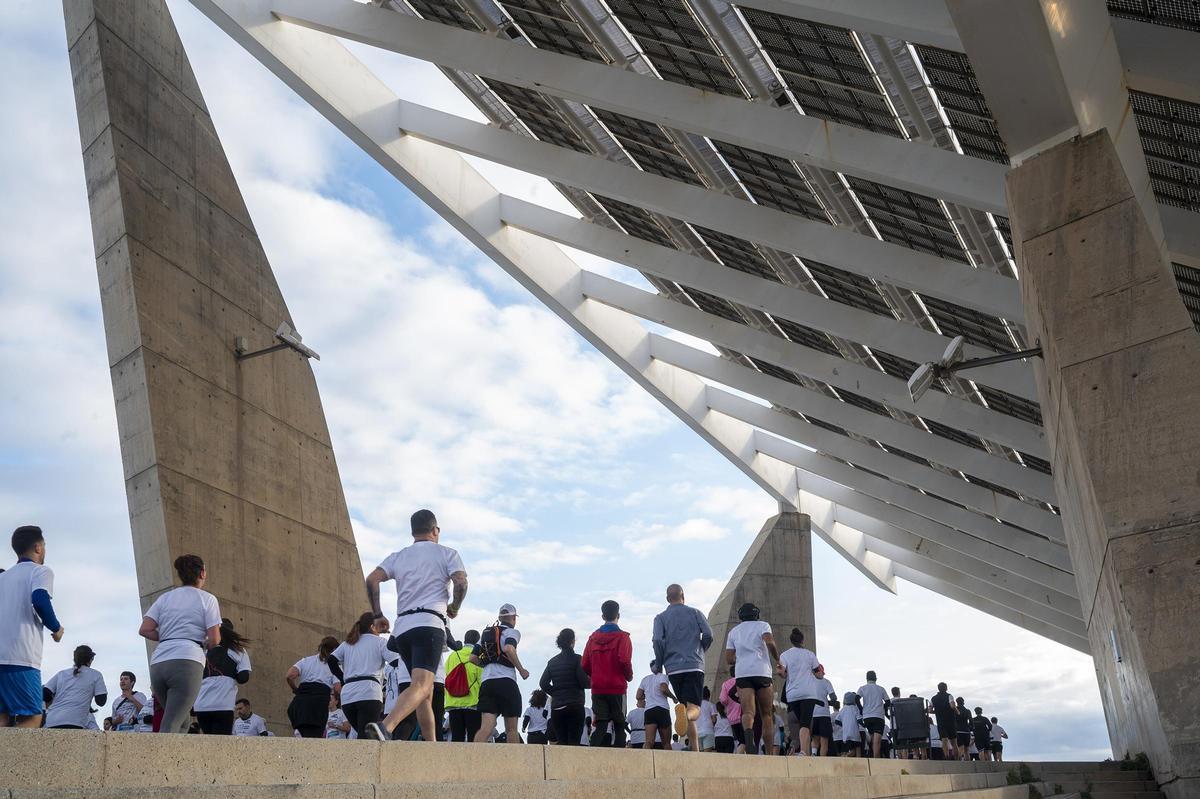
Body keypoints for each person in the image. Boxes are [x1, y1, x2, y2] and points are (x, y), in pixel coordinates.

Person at [365, 509, 467, 742]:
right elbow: (461, 582)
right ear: (435, 530)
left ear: (413, 531)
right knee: (422, 685)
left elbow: (372, 579)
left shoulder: (398, 556)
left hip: (403, 629)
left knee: (424, 693)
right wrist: (455, 606)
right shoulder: (447, 553)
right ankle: (385, 726)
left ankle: (431, 745)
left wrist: (378, 614)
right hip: (429, 625)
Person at [138, 554, 221, 734]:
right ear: (202, 573)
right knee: (171, 725)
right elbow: (215, 639)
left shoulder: (165, 598)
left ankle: (177, 761)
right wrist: (203, 644)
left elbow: (145, 629)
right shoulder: (207, 599)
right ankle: (159, 762)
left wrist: (169, 636)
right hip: (187, 660)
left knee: (182, 721)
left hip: (159, 662)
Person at [0, 525, 65, 728]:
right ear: (38, 547)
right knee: (33, 716)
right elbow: (40, 599)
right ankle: (15, 761)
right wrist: (56, 628)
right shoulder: (41, 571)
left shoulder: (2, 577)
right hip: (21, 657)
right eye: (44, 546)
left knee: (2, 718)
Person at [651, 585, 712, 753]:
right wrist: (701, 650)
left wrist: (660, 661)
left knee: (685, 706)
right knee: (695, 709)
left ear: (667, 598)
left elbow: (657, 640)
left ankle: (695, 751)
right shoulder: (695, 612)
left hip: (673, 668)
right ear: (683, 595)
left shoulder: (660, 618)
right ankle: (685, 714)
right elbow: (708, 634)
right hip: (694, 665)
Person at [724, 602, 779, 755]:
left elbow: (729, 658)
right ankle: (768, 753)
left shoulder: (734, 632)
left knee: (748, 712)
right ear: (756, 614)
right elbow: (770, 642)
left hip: (743, 674)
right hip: (762, 672)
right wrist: (777, 659)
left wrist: (742, 658)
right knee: (767, 715)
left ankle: (749, 738)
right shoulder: (763, 625)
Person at [330, 612, 394, 739]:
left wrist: (343, 679)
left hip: (348, 695)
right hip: (369, 692)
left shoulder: (348, 643)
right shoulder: (380, 642)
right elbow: (395, 661)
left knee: (361, 733)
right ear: (372, 626)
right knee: (366, 736)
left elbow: (331, 660)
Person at [472, 604, 529, 744]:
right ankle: (514, 763)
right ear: (513, 618)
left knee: (486, 728)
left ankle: (473, 761)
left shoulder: (485, 634)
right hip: (506, 682)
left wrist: (485, 664)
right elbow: (509, 648)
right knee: (511, 730)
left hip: (487, 682)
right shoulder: (512, 632)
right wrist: (522, 670)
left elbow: (472, 658)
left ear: (499, 618)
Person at [581, 600, 633, 748]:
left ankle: (592, 756)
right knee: (619, 724)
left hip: (598, 688)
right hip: (617, 687)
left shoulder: (592, 638)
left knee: (601, 725)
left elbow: (584, 664)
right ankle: (619, 761)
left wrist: (595, 675)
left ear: (602, 616)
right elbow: (624, 660)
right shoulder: (623, 638)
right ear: (618, 615)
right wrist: (628, 676)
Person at [194, 619, 251, 735]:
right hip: (223, 704)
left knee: (208, 743)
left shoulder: (203, 649)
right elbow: (243, 677)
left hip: (202, 706)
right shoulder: (238, 649)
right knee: (220, 745)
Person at [540, 627, 589, 746]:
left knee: (562, 743)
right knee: (574, 743)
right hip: (574, 705)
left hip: (557, 708)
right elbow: (583, 682)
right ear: (573, 641)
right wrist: (593, 683)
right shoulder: (577, 659)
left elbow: (543, 683)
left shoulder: (552, 662)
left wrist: (556, 693)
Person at [286, 636, 340, 738]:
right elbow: (338, 688)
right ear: (334, 650)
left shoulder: (306, 661)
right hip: (318, 705)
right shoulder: (333, 666)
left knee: (302, 736)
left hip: (300, 704)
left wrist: (295, 690)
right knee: (314, 739)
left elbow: (289, 676)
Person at [778, 627, 819, 757]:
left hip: (793, 695)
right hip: (808, 693)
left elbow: (780, 672)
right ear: (803, 640)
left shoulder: (784, 655)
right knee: (805, 724)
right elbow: (819, 674)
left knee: (802, 724)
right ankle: (803, 752)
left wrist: (786, 674)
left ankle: (804, 752)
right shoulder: (810, 654)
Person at [43, 645, 107, 729]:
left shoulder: (62, 674)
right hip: (75, 721)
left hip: (52, 721)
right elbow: (101, 701)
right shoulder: (96, 675)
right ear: (90, 659)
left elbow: (45, 694)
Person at [444, 629, 482, 742]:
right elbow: (481, 680)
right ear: (477, 642)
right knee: (473, 739)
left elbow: (447, 675)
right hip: (473, 703)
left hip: (453, 703)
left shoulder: (453, 656)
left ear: (465, 640)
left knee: (456, 738)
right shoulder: (477, 656)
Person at [637, 660, 676, 750]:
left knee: (649, 742)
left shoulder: (645, 679)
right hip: (662, 709)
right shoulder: (663, 676)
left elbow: (638, 696)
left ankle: (645, 762)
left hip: (649, 710)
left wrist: (646, 696)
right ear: (661, 667)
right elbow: (663, 689)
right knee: (666, 743)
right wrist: (673, 697)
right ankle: (669, 764)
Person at [857, 671, 888, 759]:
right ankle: (875, 760)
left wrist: (861, 709)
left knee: (872, 738)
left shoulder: (862, 688)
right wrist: (883, 708)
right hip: (878, 716)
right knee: (877, 741)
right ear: (876, 678)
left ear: (866, 679)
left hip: (867, 717)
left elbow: (857, 698)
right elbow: (888, 702)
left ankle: (872, 757)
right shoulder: (881, 689)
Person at [810, 664, 835, 757]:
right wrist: (828, 702)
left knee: (815, 738)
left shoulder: (809, 681)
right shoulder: (826, 682)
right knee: (824, 740)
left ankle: (813, 755)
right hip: (824, 714)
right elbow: (833, 697)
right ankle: (822, 760)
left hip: (812, 714)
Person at [718, 666, 744, 753]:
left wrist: (729, 704)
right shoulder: (743, 681)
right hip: (744, 715)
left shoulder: (726, 684)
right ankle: (738, 760)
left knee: (740, 741)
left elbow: (723, 699)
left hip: (732, 718)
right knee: (744, 741)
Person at [929, 682, 957, 760]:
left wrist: (937, 711)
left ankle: (947, 757)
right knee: (954, 742)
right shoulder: (949, 696)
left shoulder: (933, 698)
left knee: (944, 740)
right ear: (946, 688)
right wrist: (956, 711)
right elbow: (952, 706)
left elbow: (930, 710)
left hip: (940, 721)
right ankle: (957, 758)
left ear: (938, 688)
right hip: (950, 721)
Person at [835, 691, 861, 757]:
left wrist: (844, 724)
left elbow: (837, 721)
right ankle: (855, 760)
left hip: (846, 734)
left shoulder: (843, 709)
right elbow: (859, 720)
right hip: (855, 733)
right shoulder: (855, 708)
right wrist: (864, 725)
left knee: (848, 749)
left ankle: (845, 756)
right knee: (857, 749)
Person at [696, 686, 717, 752]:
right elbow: (714, 720)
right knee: (707, 755)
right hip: (708, 731)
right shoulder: (711, 705)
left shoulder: (696, 705)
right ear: (708, 696)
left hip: (697, 732)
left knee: (700, 755)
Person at [955, 697, 973, 761]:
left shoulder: (954, 710)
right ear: (963, 702)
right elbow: (971, 721)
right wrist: (970, 728)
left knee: (960, 748)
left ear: (957, 702)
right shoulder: (967, 711)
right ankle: (968, 763)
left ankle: (959, 762)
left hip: (957, 730)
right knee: (966, 749)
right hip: (966, 731)